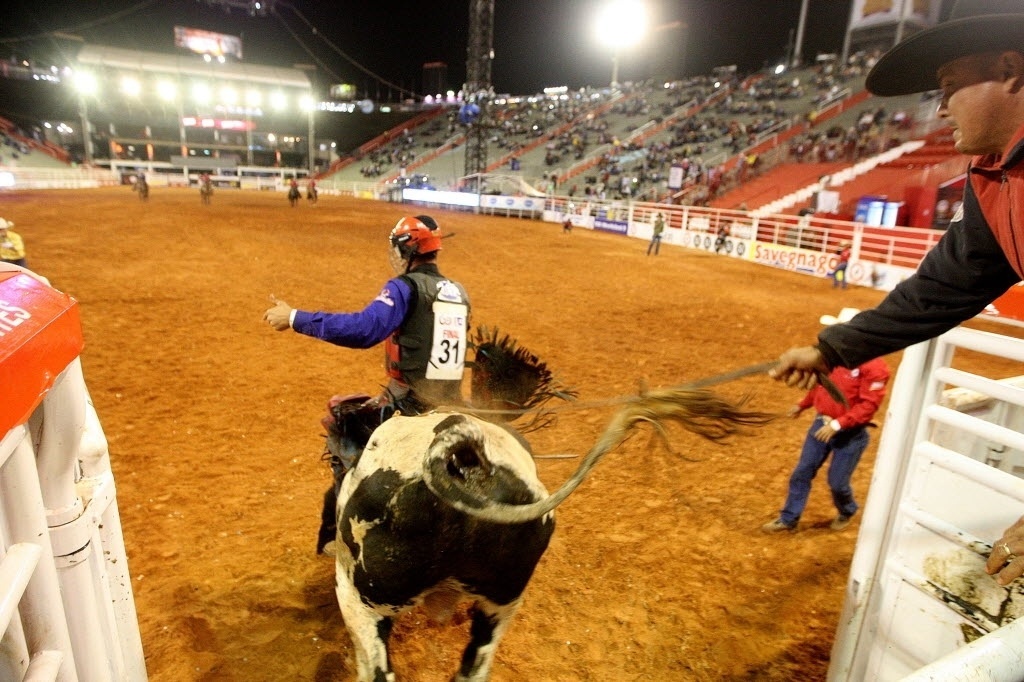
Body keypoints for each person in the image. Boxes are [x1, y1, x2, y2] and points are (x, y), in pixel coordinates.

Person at [768, 0, 1024, 585]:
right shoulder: (994, 178)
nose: (940, 108)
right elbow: (941, 288)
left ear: (1011, 68)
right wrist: (834, 349)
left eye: (951, 86)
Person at [263, 214, 470, 553]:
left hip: (410, 404)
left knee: (342, 427)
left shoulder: (404, 288)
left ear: (408, 250)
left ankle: (339, 535)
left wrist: (295, 317)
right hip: (451, 404)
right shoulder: (459, 293)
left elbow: (364, 330)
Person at [763, 308, 890, 533]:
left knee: (837, 482)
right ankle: (789, 518)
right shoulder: (832, 359)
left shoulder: (874, 368)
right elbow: (822, 388)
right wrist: (803, 404)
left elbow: (868, 406)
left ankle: (847, 509)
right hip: (821, 425)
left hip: (849, 433)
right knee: (802, 471)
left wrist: (837, 424)